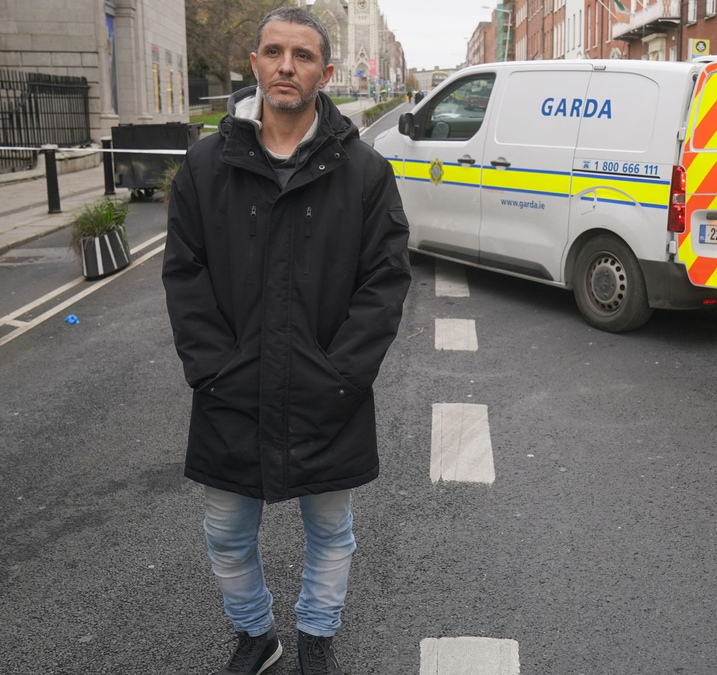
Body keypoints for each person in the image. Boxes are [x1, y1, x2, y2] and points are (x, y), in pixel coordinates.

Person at [161, 7, 411, 675]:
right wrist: (213, 369)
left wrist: (343, 375)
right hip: (230, 389)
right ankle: (256, 634)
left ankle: (315, 637)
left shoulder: (365, 173)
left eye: (303, 56)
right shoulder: (206, 166)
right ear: (254, 64)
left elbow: (384, 282)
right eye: (273, 52)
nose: (286, 66)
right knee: (225, 533)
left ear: (325, 74)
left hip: (327, 391)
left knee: (330, 531)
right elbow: (185, 274)